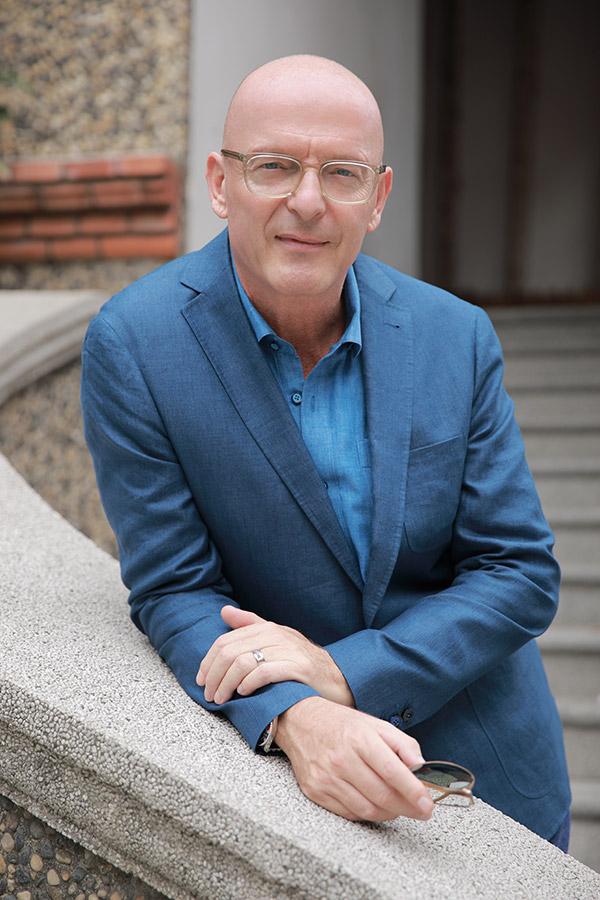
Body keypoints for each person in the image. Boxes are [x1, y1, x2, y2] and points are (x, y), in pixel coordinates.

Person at [81, 54, 571, 844]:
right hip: (297, 796)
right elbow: (175, 588)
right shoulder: (134, 344)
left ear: (377, 198)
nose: (307, 202)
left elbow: (518, 571)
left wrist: (344, 673)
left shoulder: (456, 335)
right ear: (220, 183)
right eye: (274, 166)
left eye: (342, 174)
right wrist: (296, 715)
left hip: (494, 778)